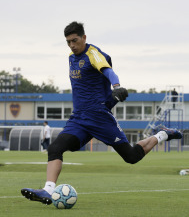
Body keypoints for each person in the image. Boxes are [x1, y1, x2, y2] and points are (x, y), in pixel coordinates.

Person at [21, 21, 183, 205]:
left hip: (99, 118)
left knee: (131, 157)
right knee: (55, 148)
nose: (72, 45)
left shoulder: (93, 54)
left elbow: (108, 71)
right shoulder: (71, 57)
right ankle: (48, 190)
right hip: (79, 119)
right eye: (68, 42)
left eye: (75, 40)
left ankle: (162, 134)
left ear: (84, 37)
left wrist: (117, 87)